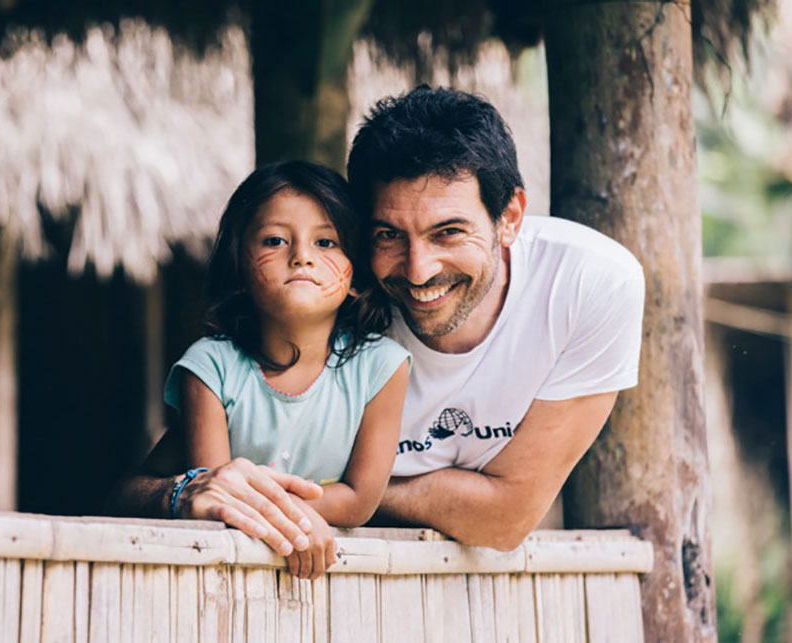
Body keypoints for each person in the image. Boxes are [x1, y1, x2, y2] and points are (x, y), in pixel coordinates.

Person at [110, 86, 644, 554]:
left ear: (510, 218)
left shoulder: (586, 285)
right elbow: (146, 487)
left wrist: (307, 490)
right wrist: (186, 491)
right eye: (389, 235)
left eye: (448, 233)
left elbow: (505, 518)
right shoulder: (333, 304)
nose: (418, 270)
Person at [114, 161, 409, 579]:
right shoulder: (209, 367)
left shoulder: (382, 367)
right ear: (238, 272)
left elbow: (359, 499)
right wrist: (295, 519)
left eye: (326, 242)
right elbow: (219, 499)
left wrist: (277, 513)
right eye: (275, 240)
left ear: (356, 276)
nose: (302, 256)